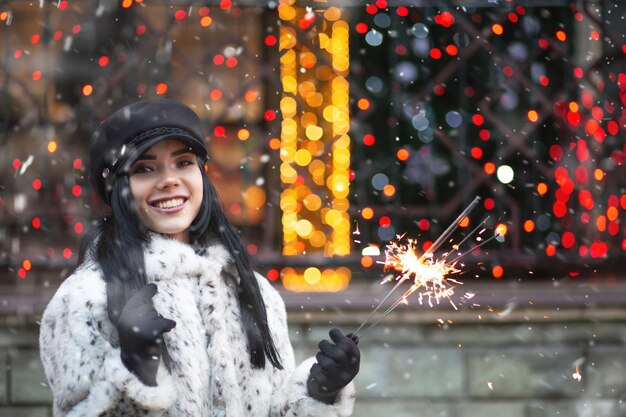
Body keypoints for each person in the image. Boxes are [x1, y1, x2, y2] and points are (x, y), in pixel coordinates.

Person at [39, 99, 360, 417]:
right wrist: (134, 370)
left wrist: (320, 392)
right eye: (144, 169)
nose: (169, 180)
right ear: (116, 188)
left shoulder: (252, 290)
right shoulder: (84, 299)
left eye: (183, 162)